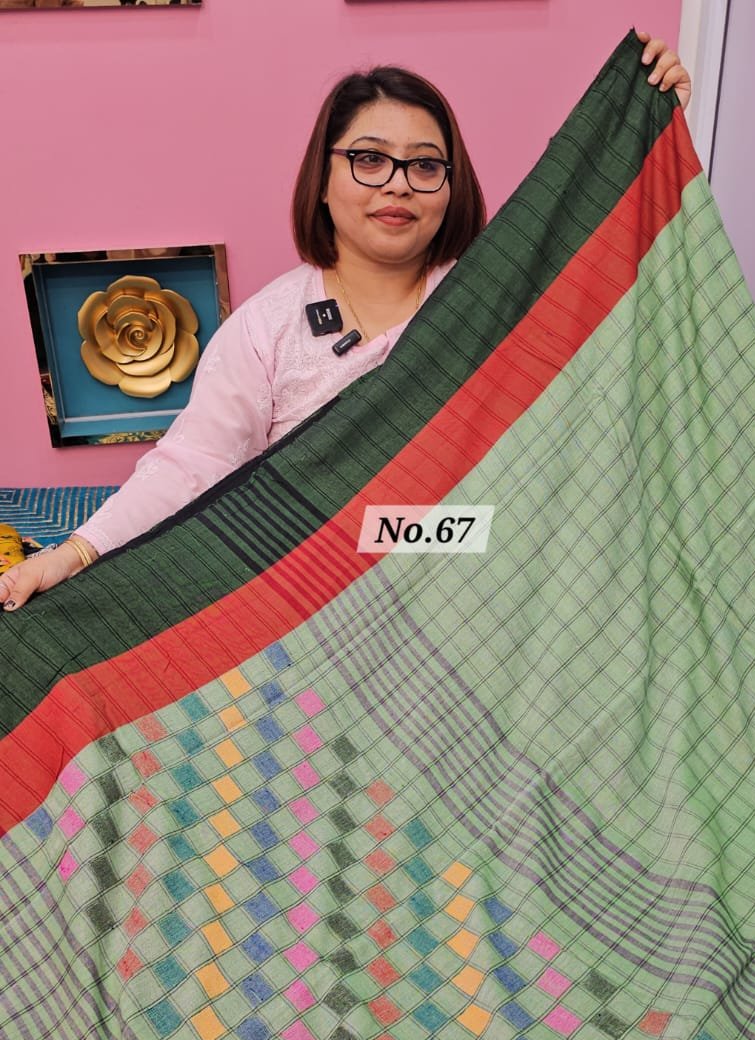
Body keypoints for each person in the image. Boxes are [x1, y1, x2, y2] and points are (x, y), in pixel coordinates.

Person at [0, 31, 691, 610]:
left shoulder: (490, 300)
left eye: (426, 166)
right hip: (314, 610)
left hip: (487, 595)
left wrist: (654, 129)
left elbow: (604, 297)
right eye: (369, 159)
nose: (398, 183)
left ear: (451, 188)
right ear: (324, 181)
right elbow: (191, 467)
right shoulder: (268, 330)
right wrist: (75, 553)